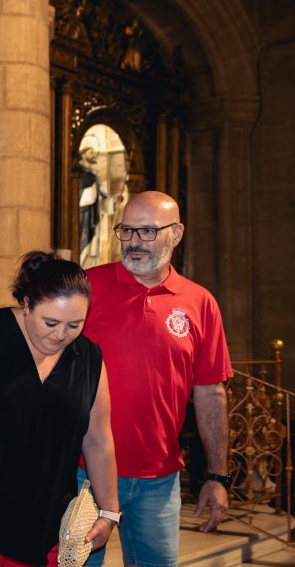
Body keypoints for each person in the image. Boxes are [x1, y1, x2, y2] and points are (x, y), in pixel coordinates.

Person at [79, 191, 233, 567]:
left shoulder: (200, 303)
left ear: (176, 234)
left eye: (147, 231)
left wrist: (218, 476)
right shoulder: (86, 287)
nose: (134, 242)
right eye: (127, 230)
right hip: (84, 473)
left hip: (159, 480)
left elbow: (211, 393)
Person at [0, 251, 119, 567]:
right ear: (27, 304)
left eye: (74, 324)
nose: (60, 335)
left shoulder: (89, 358)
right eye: (50, 322)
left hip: (46, 527)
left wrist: (109, 512)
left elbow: (98, 440)